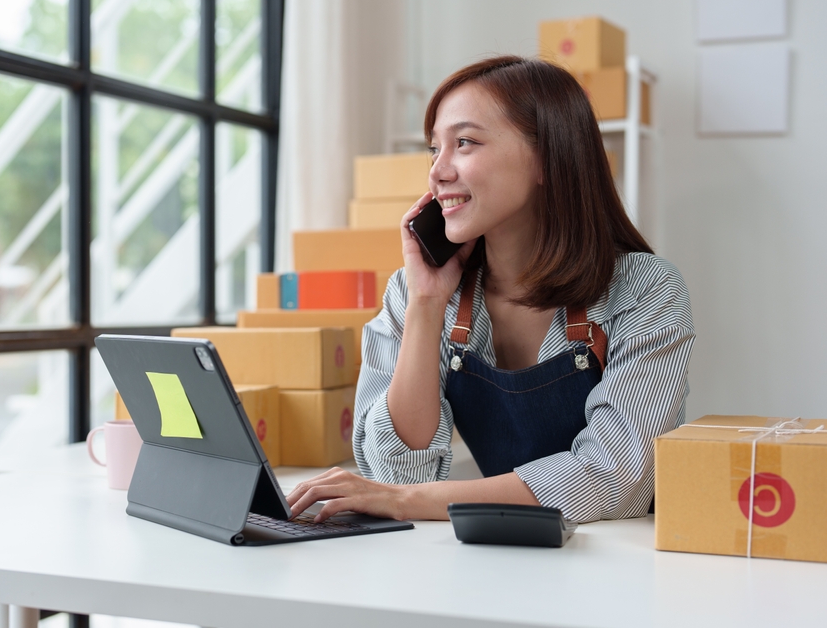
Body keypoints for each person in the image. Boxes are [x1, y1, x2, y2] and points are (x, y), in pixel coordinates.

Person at [287, 55, 695, 524]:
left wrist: (404, 500)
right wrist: (426, 305)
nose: (437, 171)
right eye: (434, 149)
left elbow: (613, 479)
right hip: (493, 554)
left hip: (618, 562)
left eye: (464, 143)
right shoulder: (416, 289)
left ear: (547, 158)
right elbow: (397, 470)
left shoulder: (646, 291)